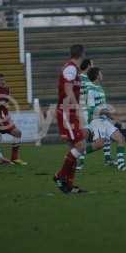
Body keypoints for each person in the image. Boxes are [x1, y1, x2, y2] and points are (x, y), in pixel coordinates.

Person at [84, 67, 126, 171]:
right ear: (97, 75)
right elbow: (91, 110)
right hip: (96, 121)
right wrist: (107, 113)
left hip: (104, 120)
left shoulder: (100, 89)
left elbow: (104, 109)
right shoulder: (91, 90)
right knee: (99, 144)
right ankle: (76, 153)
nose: (102, 74)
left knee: (120, 138)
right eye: (100, 73)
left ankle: (121, 165)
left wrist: (116, 120)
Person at [53, 44, 88, 194]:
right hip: (67, 112)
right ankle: (60, 176)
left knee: (75, 149)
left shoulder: (74, 70)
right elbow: (67, 88)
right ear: (82, 54)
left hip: (69, 112)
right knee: (80, 147)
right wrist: (76, 107)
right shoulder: (71, 68)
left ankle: (68, 185)